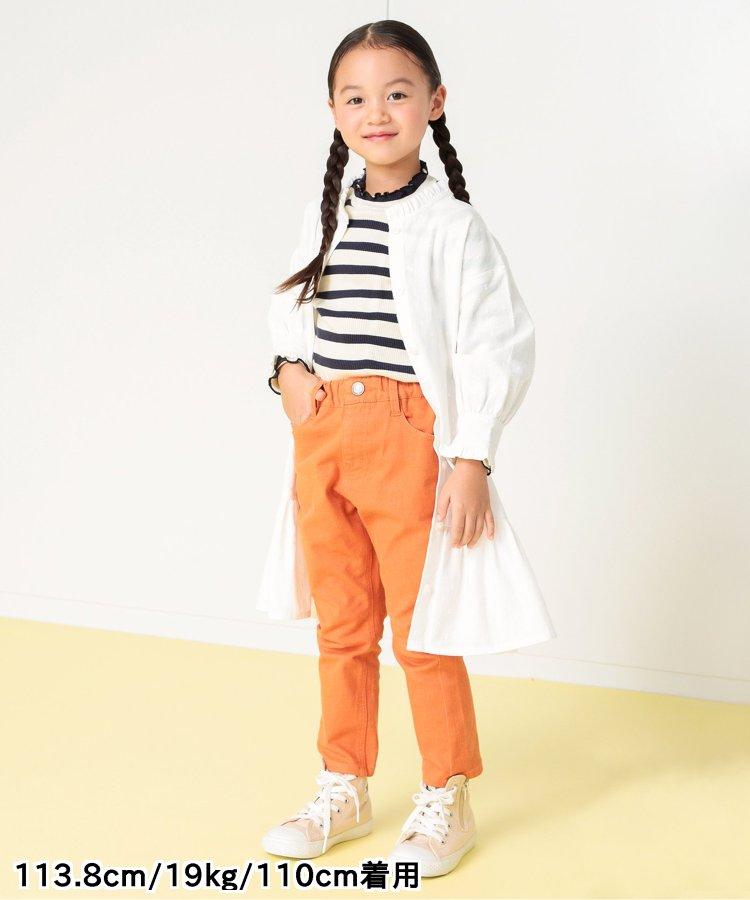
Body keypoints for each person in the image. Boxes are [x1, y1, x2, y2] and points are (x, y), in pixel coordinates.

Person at [257, 19, 556, 878]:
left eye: (396, 93)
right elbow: (292, 316)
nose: (377, 112)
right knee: (343, 626)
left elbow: (495, 345)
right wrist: (286, 372)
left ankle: (445, 792)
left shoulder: (453, 228)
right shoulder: (328, 216)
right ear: (333, 112)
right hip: (324, 445)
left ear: (435, 102)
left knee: (425, 629)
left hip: (408, 441)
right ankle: (344, 782)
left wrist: (472, 457)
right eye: (356, 98)